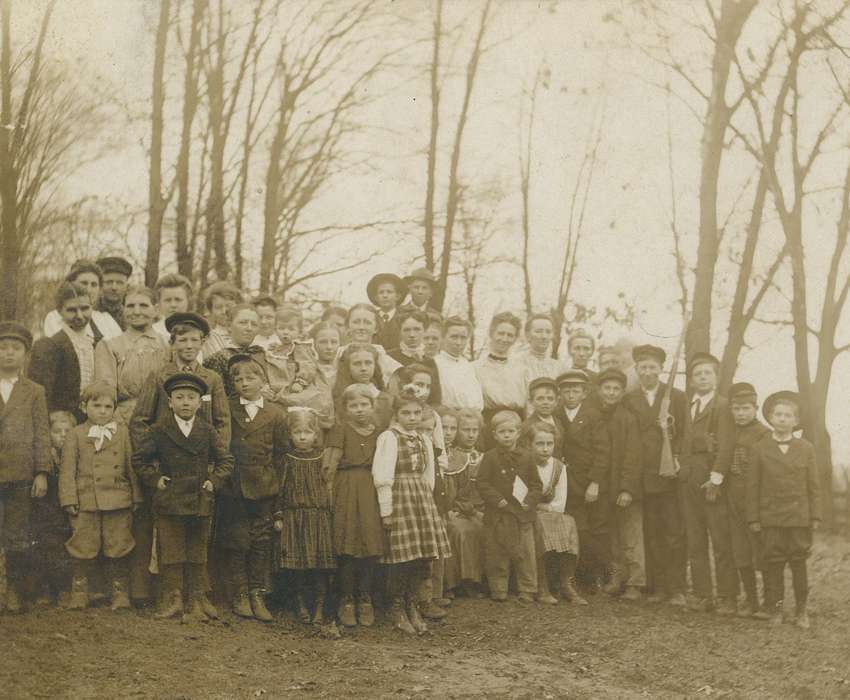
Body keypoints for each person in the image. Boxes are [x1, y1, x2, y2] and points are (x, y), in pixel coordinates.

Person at [129, 312, 230, 605]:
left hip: (201, 469)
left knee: (199, 533)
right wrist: (154, 461)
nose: (188, 345)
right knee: (169, 533)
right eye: (182, 339)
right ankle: (167, 593)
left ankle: (198, 595)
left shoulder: (211, 378)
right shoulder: (159, 375)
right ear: (172, 343)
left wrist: (214, 462)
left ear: (203, 343)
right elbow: (140, 420)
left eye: (194, 340)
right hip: (168, 468)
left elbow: (222, 422)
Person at [372, 389, 451, 634]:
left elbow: (428, 476)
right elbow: (382, 475)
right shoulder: (389, 437)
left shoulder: (424, 439)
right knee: (401, 559)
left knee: (421, 557)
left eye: (417, 413)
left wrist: (426, 501)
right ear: (396, 414)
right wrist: (387, 510)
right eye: (406, 413)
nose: (412, 417)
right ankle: (396, 608)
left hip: (420, 499)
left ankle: (412, 604)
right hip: (399, 498)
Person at [59, 380, 141, 611]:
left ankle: (119, 592)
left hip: (118, 499)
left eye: (108, 407)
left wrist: (137, 496)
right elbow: (67, 470)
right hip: (86, 501)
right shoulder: (76, 434)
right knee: (82, 545)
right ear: (84, 407)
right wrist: (69, 498)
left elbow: (130, 466)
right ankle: (80, 590)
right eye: (97, 406)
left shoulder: (122, 433)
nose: (103, 411)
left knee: (119, 545)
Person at [220, 354, 289, 623]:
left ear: (263, 380)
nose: (245, 384)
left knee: (261, 540)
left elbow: (282, 453)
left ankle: (257, 592)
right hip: (234, 487)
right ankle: (240, 594)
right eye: (238, 379)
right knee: (237, 540)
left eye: (251, 378)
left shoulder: (276, 413)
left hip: (264, 486)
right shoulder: (226, 408)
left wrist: (276, 486)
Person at [747, 391, 821, 629]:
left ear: (796, 420)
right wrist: (754, 518)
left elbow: (814, 485)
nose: (782, 419)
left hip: (799, 517)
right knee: (774, 563)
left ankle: (801, 611)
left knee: (799, 562)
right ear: (770, 417)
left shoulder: (806, 448)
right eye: (777, 414)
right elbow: (752, 486)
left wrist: (815, 515)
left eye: (788, 415)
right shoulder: (759, 448)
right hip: (771, 517)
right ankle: (776, 609)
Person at [622, 344, 687, 606]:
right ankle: (658, 586)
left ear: (661, 370)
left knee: (673, 531)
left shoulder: (677, 397)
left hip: (669, 474)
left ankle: (677, 588)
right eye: (643, 368)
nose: (648, 372)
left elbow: (684, 433)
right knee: (652, 532)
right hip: (644, 475)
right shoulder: (629, 399)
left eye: (653, 368)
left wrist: (678, 457)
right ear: (636, 370)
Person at [323, 384, 385, 628]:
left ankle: (365, 597)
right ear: (345, 409)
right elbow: (329, 466)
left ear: (372, 406)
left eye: (364, 405)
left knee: (370, 543)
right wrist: (329, 494)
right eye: (353, 406)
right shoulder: (341, 430)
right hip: (346, 489)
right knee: (347, 543)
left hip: (371, 490)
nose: (359, 410)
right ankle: (347, 598)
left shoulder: (380, 433)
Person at [680, 352, 737, 615]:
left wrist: (716, 478)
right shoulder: (686, 406)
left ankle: (727, 595)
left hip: (711, 481)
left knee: (721, 539)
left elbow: (726, 445)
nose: (702, 378)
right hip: (688, 480)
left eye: (707, 373)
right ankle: (703, 595)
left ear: (715, 377)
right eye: (697, 374)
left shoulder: (723, 406)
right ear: (691, 380)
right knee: (695, 540)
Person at [0, 322, 51, 612]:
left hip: (20, 475)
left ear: (25, 354)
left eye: (15, 348)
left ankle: (15, 592)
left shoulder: (34, 391)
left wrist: (41, 472)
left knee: (17, 536)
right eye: (3, 347)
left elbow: (42, 433)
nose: (8, 354)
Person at [273, 408, 335, 626]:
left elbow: (329, 487)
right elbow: (279, 489)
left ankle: (319, 606)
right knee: (297, 566)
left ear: (316, 435)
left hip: (318, 518)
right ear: (290, 435)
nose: (302, 437)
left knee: (319, 565)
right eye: (297, 432)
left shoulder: (322, 458)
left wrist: (330, 512)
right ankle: (300, 604)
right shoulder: (287, 459)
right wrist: (279, 515)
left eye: (307, 432)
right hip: (295, 518)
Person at [475, 410, 542, 603]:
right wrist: (497, 500)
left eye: (510, 431)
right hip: (498, 514)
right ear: (494, 434)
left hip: (522, 514)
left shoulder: (528, 457)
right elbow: (482, 483)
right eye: (501, 431)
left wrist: (529, 501)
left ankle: (527, 588)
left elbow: (537, 485)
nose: (506, 435)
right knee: (497, 551)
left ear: (518, 433)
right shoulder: (490, 457)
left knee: (525, 552)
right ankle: (498, 588)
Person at [554, 369, 611, 592]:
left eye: (575, 390)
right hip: (564, 482)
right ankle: (571, 577)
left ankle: (595, 576)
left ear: (584, 393)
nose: (570, 394)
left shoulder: (594, 415)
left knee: (593, 530)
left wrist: (595, 482)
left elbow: (603, 451)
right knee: (572, 528)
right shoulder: (556, 414)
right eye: (566, 390)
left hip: (588, 481)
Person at [596, 368, 644, 601]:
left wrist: (627, 488)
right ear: (599, 390)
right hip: (605, 487)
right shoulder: (596, 415)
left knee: (631, 536)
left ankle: (636, 582)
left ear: (623, 392)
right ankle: (617, 578)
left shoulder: (627, 418)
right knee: (613, 536)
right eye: (607, 388)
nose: (611, 393)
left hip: (624, 487)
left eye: (616, 389)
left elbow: (633, 456)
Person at [726, 382, 771, 617]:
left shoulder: (764, 433)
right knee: (740, 550)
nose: (740, 413)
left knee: (761, 551)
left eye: (745, 408)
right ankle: (751, 599)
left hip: (757, 501)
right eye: (736, 409)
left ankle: (768, 601)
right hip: (733, 498)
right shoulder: (730, 430)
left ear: (755, 408)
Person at [94, 286, 169, 424]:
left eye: (144, 305)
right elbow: (106, 392)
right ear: (123, 309)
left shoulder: (168, 345)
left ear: (156, 309)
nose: (137, 311)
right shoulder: (109, 346)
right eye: (130, 306)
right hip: (124, 420)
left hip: (162, 419)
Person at [528, 423, 582, 605]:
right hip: (528, 514)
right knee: (540, 524)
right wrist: (539, 507)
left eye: (549, 444)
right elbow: (521, 498)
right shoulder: (524, 463)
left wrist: (544, 507)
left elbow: (560, 502)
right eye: (539, 443)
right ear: (530, 444)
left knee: (569, 523)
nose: (545, 449)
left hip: (551, 512)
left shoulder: (559, 467)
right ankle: (542, 586)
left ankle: (566, 583)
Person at [29, 282, 97, 421]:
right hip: (63, 424)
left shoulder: (98, 343)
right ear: (60, 311)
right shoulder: (49, 346)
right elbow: (41, 396)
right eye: (71, 310)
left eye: (85, 308)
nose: (79, 315)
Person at [30, 410, 75, 606]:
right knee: (45, 545)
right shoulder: (44, 457)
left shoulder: (75, 453)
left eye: (67, 431)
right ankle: (44, 588)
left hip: (68, 509)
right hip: (46, 509)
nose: (63, 435)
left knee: (66, 548)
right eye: (57, 431)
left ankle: (64, 588)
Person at [443, 408, 485, 599]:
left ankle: (478, 580)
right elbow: (452, 493)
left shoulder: (483, 456)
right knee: (461, 530)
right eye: (465, 430)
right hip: (456, 509)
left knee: (483, 526)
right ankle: (455, 582)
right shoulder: (451, 457)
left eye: (474, 430)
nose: (470, 435)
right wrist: (463, 509)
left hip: (479, 509)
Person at [43, 259, 122, 341]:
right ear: (71, 284)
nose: (89, 290)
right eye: (84, 283)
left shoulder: (106, 319)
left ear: (100, 290)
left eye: (94, 285)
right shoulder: (55, 317)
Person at [475, 312, 527, 426]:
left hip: (517, 422)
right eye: (501, 333)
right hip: (488, 422)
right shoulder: (476, 367)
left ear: (515, 338)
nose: (504, 339)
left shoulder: (522, 369)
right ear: (491, 333)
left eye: (510, 335)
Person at [203, 304, 265, 398]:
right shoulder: (218, 358)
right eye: (243, 322)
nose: (249, 328)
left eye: (254, 324)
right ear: (229, 326)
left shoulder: (262, 354)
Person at [387, 309, 442, 404]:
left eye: (417, 329)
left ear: (424, 331)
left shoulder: (430, 362)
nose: (412, 335)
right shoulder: (389, 357)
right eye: (406, 330)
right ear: (400, 331)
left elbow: (435, 398)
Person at [333, 343, 394, 430]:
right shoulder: (340, 397)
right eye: (357, 364)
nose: (363, 368)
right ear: (348, 367)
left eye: (368, 363)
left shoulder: (387, 400)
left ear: (375, 366)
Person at [340, 303, 401, 385]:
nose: (361, 327)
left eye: (367, 323)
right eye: (356, 322)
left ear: (376, 328)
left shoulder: (385, 361)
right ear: (348, 326)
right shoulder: (338, 355)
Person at [433, 316, 483, 412]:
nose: (459, 342)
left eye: (463, 338)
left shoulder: (468, 366)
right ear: (443, 337)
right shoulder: (435, 363)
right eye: (454, 337)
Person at [514, 313, 565, 386]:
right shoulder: (517, 364)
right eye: (538, 331)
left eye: (548, 332)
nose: (544, 336)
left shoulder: (559, 367)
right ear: (528, 335)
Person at [200, 281, 243, 358]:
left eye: (229, 306)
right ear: (211, 311)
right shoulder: (207, 340)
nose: (224, 311)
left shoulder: (249, 334)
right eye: (218, 307)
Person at [521, 377, 564, 452]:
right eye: (540, 398)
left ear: (556, 401)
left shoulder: (559, 422)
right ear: (531, 401)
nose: (545, 402)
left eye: (550, 399)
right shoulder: (526, 427)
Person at [367, 272, 407, 350]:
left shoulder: (405, 317)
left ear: (397, 296)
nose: (385, 295)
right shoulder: (371, 317)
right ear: (376, 297)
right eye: (381, 292)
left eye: (389, 292)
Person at [151, 274, 193, 343]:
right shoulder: (152, 333)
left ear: (188, 301)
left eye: (178, 300)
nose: (173, 305)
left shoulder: (200, 332)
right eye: (167, 300)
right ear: (159, 303)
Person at [96, 256, 133, 330]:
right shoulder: (89, 313)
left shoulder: (132, 316)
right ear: (100, 284)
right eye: (109, 282)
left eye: (120, 283)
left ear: (127, 286)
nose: (114, 287)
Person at [311, 322, 342, 388]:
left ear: (340, 343)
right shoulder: (308, 369)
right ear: (314, 343)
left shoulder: (345, 369)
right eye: (323, 342)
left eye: (334, 342)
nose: (329, 347)